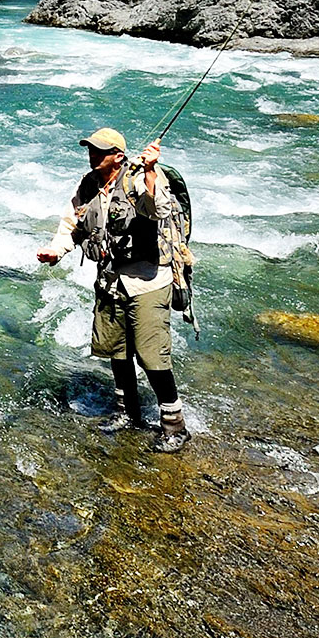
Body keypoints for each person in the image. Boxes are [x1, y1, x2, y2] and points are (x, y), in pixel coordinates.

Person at [37, 127, 195, 452]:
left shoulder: (139, 177)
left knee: (152, 356)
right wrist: (57, 251)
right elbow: (73, 225)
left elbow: (158, 209)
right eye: (90, 149)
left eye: (99, 150)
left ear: (118, 157)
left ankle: (175, 425)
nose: (92, 154)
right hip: (110, 281)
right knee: (117, 351)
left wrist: (151, 170)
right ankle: (128, 413)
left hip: (148, 280)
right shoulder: (89, 184)